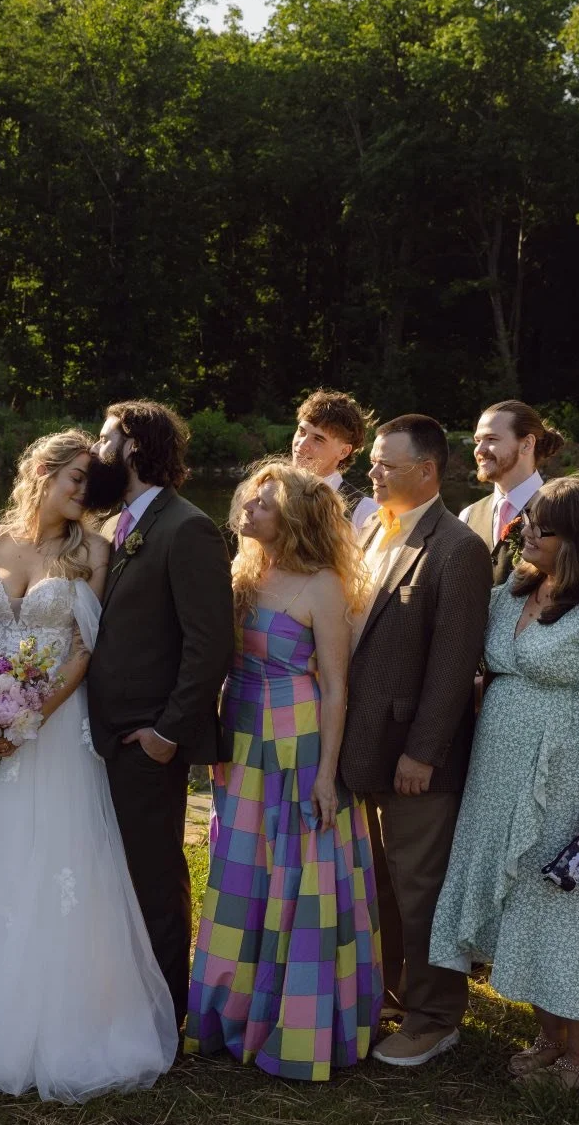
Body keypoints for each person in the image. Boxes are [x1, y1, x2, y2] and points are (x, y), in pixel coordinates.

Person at [0, 431, 178, 1101]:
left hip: (51, 724)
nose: (86, 494)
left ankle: (54, 1016)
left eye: (93, 485)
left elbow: (83, 652)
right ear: (43, 473)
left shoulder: (94, 551)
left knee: (48, 854)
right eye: (78, 479)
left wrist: (29, 718)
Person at [431, 477, 579, 1091]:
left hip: (571, 780)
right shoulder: (515, 590)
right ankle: (549, 1035)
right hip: (500, 779)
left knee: (567, 909)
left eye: (545, 527)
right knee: (523, 904)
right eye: (528, 523)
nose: (528, 533)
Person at [187, 460, 383, 1080]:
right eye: (249, 499)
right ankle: (227, 1008)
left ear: (294, 517)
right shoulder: (247, 570)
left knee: (297, 872)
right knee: (241, 870)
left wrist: (328, 774)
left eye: (264, 504)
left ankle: (293, 1019)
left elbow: (335, 688)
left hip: (297, 739)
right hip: (242, 734)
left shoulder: (323, 584)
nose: (247, 509)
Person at [343, 414, 491, 1067]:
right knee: (381, 883)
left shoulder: (457, 547)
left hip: (416, 755)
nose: (371, 474)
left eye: (384, 465)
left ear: (426, 471)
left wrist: (423, 753)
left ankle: (436, 1015)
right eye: (373, 463)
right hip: (364, 744)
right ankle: (394, 996)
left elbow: (454, 664)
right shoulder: (375, 526)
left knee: (422, 884)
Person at [83, 401, 235, 1028]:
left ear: (134, 449)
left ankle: (166, 1011)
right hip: (103, 736)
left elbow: (210, 645)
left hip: (148, 739)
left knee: (154, 875)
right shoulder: (119, 525)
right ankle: (125, 994)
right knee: (116, 870)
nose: (96, 452)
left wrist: (169, 733)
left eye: (105, 439)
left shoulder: (187, 528)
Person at [459, 402, 564, 587]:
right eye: (477, 440)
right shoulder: (468, 516)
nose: (479, 450)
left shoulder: (562, 511)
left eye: (491, 439)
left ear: (526, 444)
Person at [291, 388, 379, 533]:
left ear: (343, 451)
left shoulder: (365, 513)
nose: (301, 444)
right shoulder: (269, 492)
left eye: (318, 439)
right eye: (302, 432)